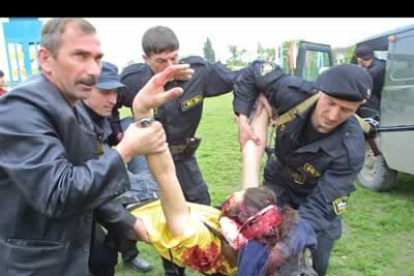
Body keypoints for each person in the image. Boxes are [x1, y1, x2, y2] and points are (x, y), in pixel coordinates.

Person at [0, 18, 191, 276]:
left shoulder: (72, 107)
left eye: (97, 58)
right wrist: (126, 150)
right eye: (80, 56)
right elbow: (59, 192)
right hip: (36, 266)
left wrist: (134, 226)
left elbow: (90, 187)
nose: (93, 70)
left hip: (76, 255)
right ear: (45, 59)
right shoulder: (20, 109)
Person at [128, 85, 317, 276]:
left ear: (230, 232)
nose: (232, 196)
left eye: (232, 202)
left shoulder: (197, 241)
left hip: (134, 198)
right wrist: (262, 103)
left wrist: (143, 114)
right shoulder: (256, 231)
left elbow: (165, 173)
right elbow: (252, 152)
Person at [113, 25, 240, 275]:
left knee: (201, 204)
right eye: (161, 61)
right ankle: (142, 258)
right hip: (151, 158)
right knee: (150, 212)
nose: (170, 65)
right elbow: (108, 101)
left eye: (174, 58)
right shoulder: (132, 80)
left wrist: (242, 110)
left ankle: (210, 260)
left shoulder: (198, 73)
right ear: (146, 59)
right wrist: (116, 130)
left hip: (183, 156)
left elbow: (242, 80)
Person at [232, 62, 373, 276]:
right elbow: (253, 71)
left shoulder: (351, 149)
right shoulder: (292, 93)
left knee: (314, 260)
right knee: (256, 242)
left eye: (346, 110)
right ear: (320, 91)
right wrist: (242, 116)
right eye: (330, 102)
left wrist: (286, 246)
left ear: (359, 106)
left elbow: (318, 208)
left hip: (317, 198)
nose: (333, 115)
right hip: (278, 183)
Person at [78, 61, 154, 274]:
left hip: (87, 206)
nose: (113, 99)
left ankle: (126, 253)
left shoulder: (96, 116)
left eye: (115, 92)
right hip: (59, 221)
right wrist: (130, 223)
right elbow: (88, 188)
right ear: (84, 88)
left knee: (104, 257)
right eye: (105, 92)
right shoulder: (73, 124)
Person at [355, 45, 386, 118]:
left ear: (359, 59)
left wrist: (359, 66)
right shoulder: (382, 63)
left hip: (377, 103)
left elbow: (362, 88)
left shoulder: (371, 72)